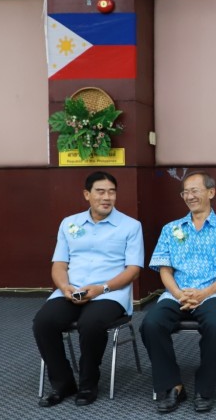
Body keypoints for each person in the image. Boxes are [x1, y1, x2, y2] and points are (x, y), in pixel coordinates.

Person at [33, 171, 144, 407]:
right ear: (87, 194)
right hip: (72, 289)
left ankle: (88, 383)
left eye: (111, 192)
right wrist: (65, 287)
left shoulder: (131, 226)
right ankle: (63, 383)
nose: (107, 197)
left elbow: (133, 270)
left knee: (91, 323)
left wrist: (102, 288)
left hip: (110, 292)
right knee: (43, 322)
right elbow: (59, 264)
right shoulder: (69, 223)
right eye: (100, 192)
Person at [141, 171, 216, 414]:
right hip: (177, 293)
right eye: (185, 192)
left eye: (195, 191)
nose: (189, 196)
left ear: (211, 192)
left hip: (215, 293)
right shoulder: (171, 229)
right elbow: (164, 270)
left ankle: (204, 387)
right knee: (151, 324)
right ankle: (173, 386)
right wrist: (179, 294)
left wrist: (204, 293)